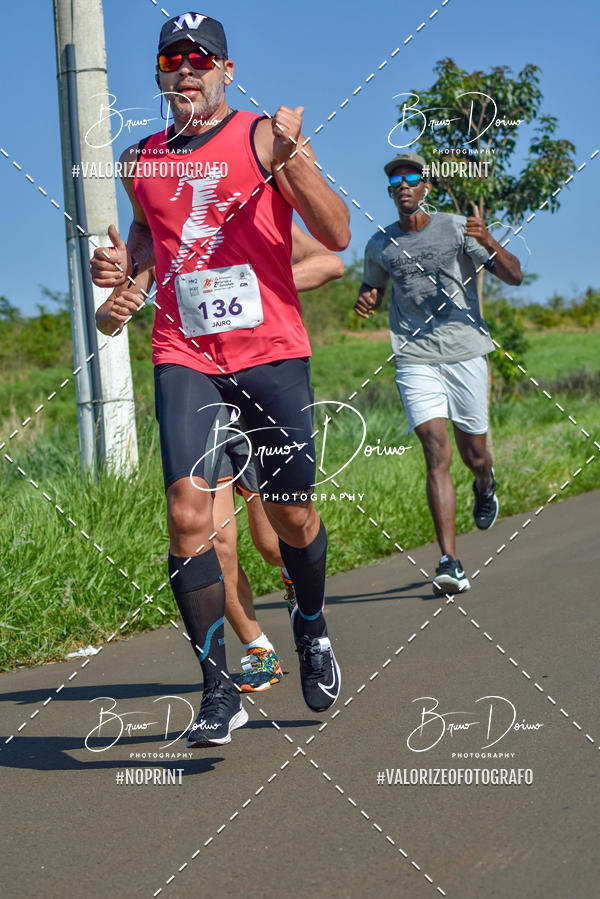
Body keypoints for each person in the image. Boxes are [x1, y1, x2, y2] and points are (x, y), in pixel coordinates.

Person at [91, 13, 350, 748]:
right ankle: (217, 687)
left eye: (202, 59)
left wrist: (296, 158)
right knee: (186, 517)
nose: (187, 69)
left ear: (226, 72)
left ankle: (311, 624)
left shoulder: (263, 136)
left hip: (269, 352)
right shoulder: (139, 159)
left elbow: (335, 235)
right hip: (185, 353)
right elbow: (143, 250)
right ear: (160, 75)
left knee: (293, 517)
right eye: (173, 58)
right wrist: (118, 275)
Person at [96, 225, 344, 692]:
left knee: (274, 542)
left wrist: (260, 283)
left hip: (258, 380)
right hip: (196, 385)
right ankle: (257, 650)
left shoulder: (251, 208)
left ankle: (308, 616)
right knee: (214, 541)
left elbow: (330, 261)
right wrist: (112, 308)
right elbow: (113, 314)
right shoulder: (164, 225)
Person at [355, 152, 522, 595]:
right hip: (414, 357)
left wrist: (487, 238)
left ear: (426, 186)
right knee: (435, 451)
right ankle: (450, 561)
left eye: (412, 178)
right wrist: (366, 297)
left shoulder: (454, 227)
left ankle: (485, 484)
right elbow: (372, 282)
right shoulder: (381, 244)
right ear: (391, 192)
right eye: (396, 180)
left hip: (466, 352)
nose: (404, 184)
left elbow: (515, 276)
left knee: (474, 454)